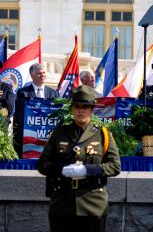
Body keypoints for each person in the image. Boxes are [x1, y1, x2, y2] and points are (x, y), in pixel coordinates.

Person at [37, 85, 121, 232]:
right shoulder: (59, 134)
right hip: (62, 203)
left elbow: (115, 166)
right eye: (77, 106)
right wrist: (61, 170)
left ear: (92, 109)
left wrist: (86, 170)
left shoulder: (103, 135)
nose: (81, 110)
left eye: (85, 107)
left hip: (93, 204)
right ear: (72, 109)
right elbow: (42, 164)